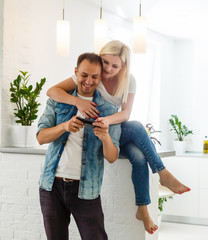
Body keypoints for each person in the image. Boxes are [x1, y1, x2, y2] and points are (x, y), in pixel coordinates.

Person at [46, 40, 190, 234]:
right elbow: (52, 91)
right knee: (138, 142)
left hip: (115, 128)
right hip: (100, 132)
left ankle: (144, 208)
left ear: (123, 66)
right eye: (105, 62)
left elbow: (125, 114)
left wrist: (107, 120)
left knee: (137, 143)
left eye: (115, 66)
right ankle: (161, 176)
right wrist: (78, 102)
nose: (109, 69)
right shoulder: (92, 76)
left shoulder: (129, 81)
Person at [37, 53, 121, 240]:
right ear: (76, 72)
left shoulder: (108, 110)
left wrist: (105, 137)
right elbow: (41, 138)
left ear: (100, 78)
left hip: (86, 189)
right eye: (84, 75)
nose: (89, 81)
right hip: (51, 186)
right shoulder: (58, 100)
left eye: (94, 76)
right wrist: (64, 126)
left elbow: (112, 156)